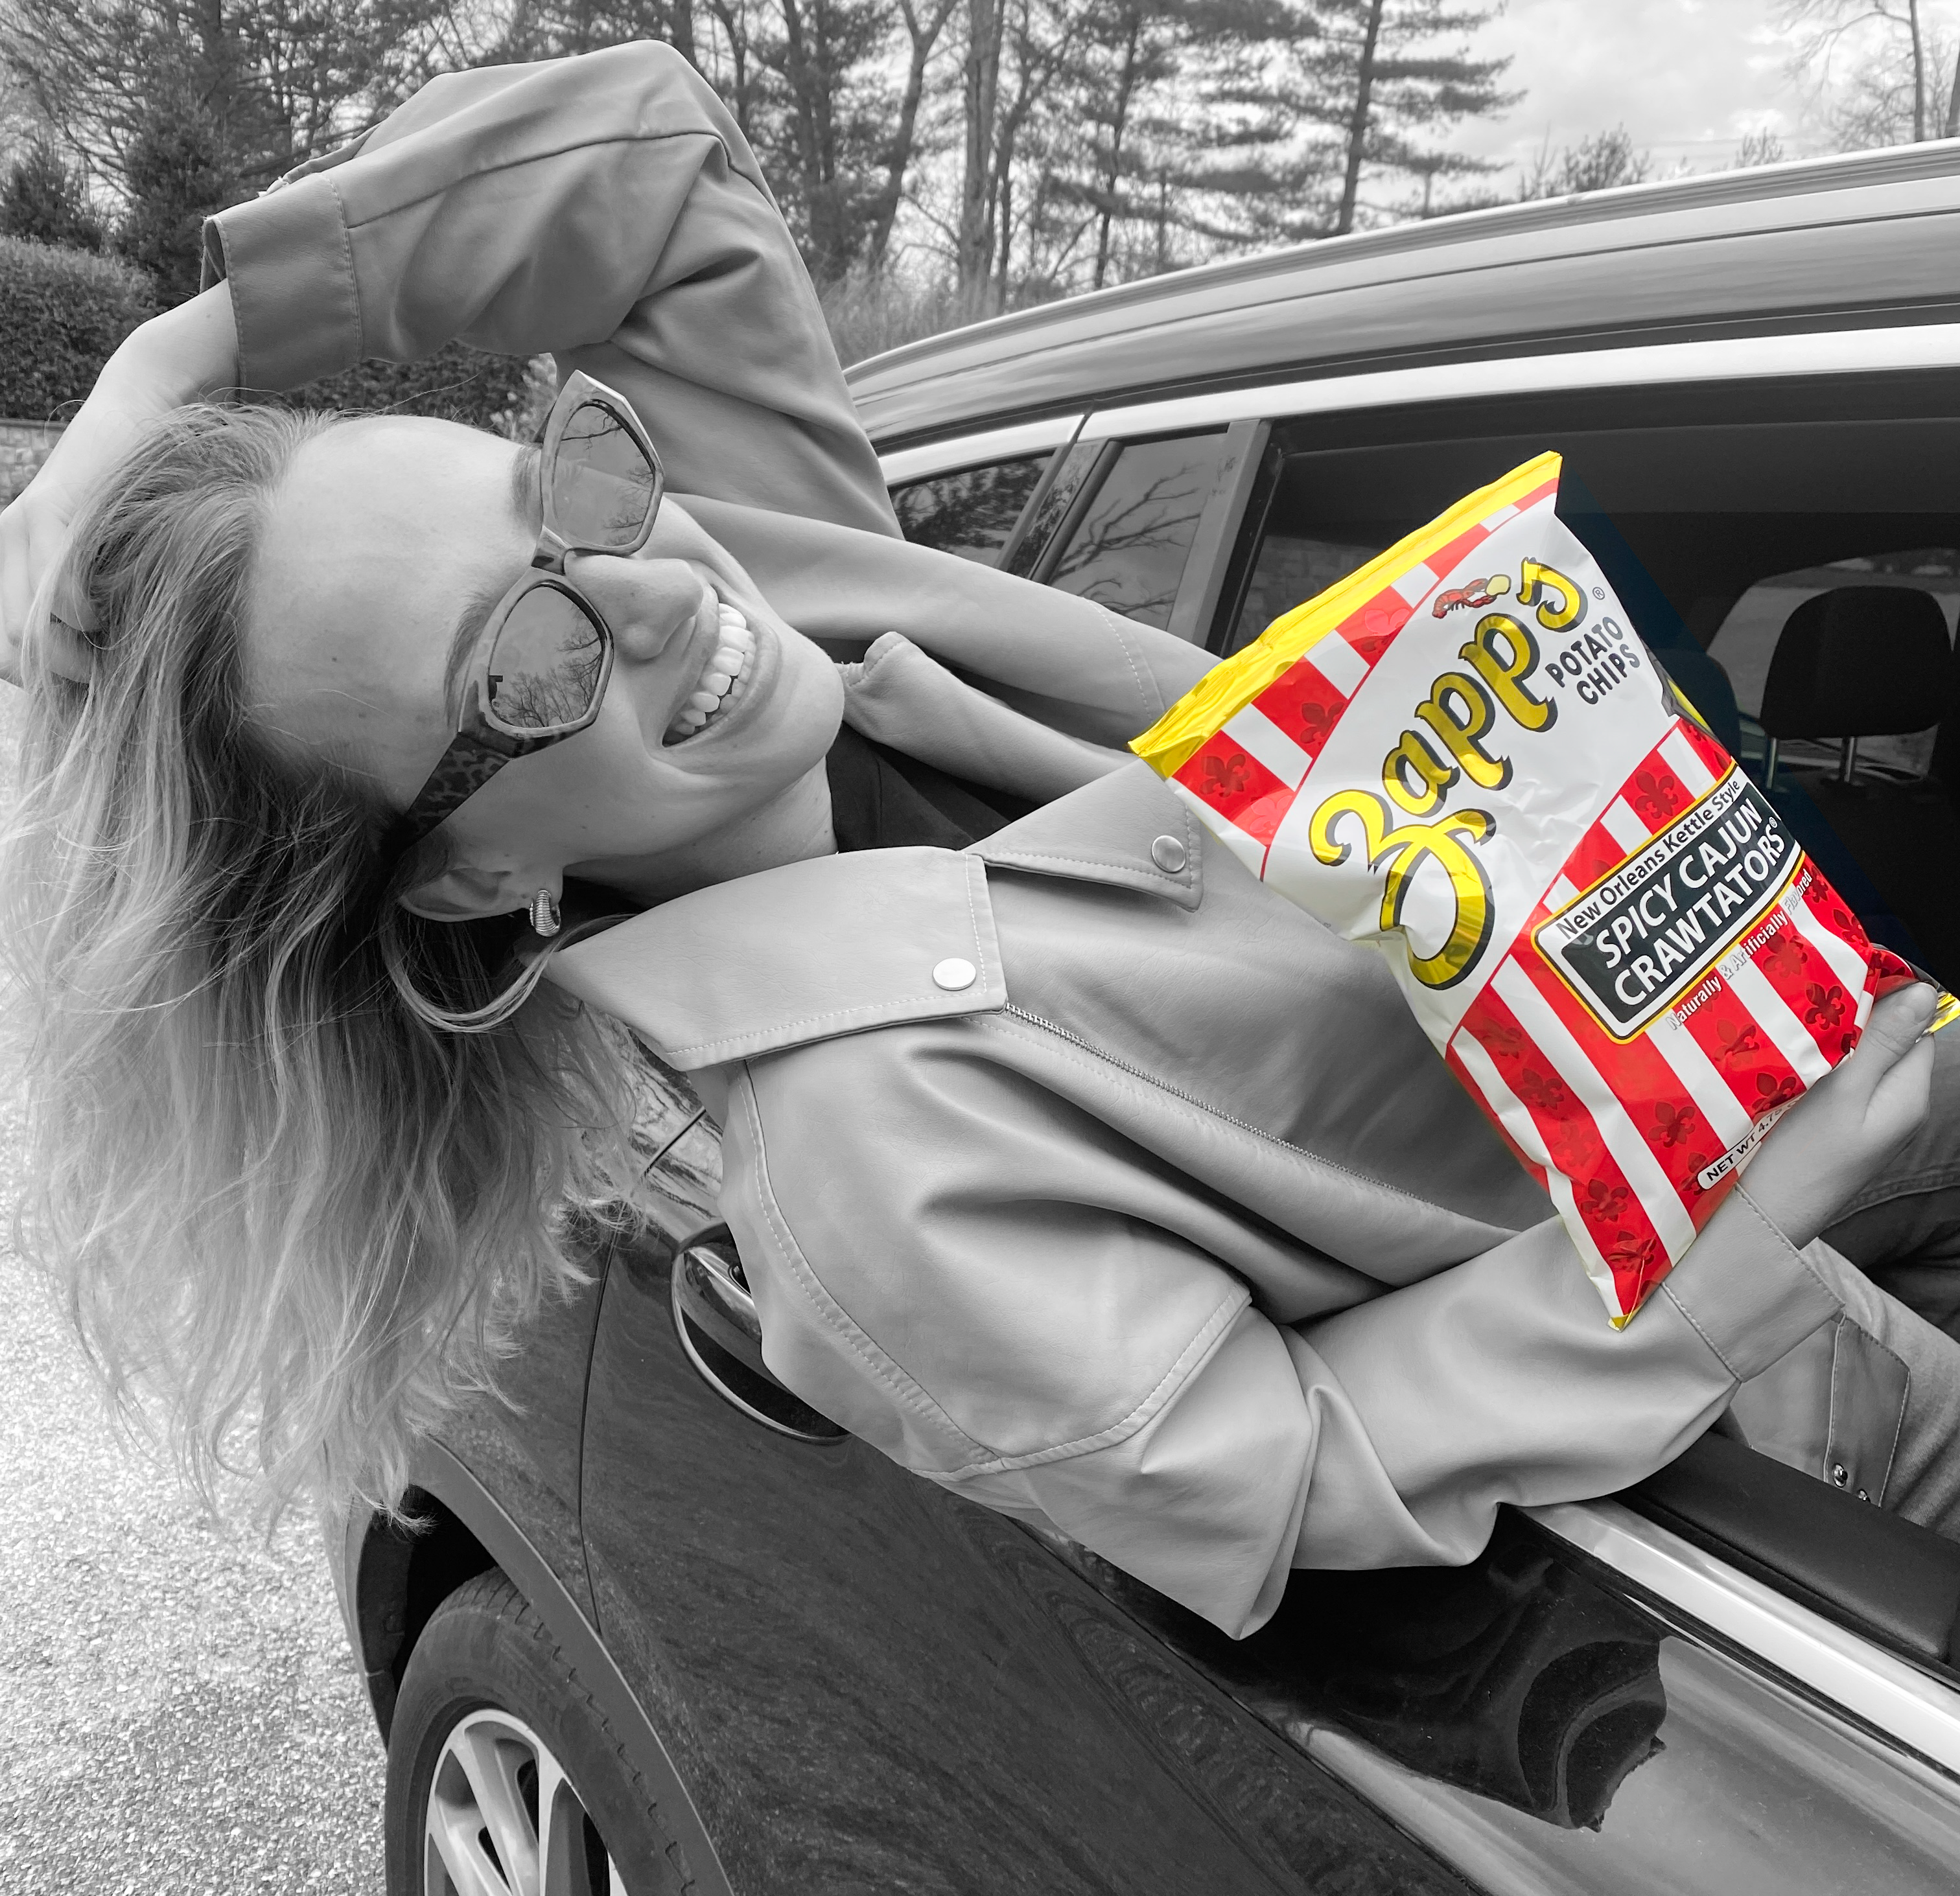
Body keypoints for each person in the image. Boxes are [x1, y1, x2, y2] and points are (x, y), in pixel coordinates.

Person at [2, 41, 1955, 1641]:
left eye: (564, 487)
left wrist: (178, 356)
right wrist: (1739, 1252)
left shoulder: (803, 572)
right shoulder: (864, 1179)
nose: (657, 599)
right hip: (1803, 1386)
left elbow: (658, 155)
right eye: (525, 657)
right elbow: (1285, 1463)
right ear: (463, 878)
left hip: (1829, 1062)